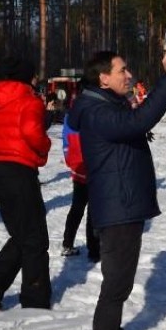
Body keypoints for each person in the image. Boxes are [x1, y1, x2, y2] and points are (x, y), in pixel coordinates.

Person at [67, 47, 166, 330]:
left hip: (123, 206)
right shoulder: (95, 111)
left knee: (119, 284)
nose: (129, 75)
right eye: (122, 70)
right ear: (103, 78)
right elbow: (139, 121)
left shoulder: (103, 105)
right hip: (117, 209)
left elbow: (135, 120)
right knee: (116, 286)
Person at [0, 57, 52, 311]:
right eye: (34, 76)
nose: (37, 81)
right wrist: (44, 148)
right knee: (35, 239)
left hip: (0, 173)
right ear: (28, 78)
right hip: (21, 174)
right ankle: (34, 301)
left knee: (23, 235)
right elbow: (31, 132)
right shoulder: (30, 101)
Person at [59, 111, 100, 262]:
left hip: (79, 168)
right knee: (93, 211)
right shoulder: (96, 112)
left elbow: (65, 141)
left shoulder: (71, 114)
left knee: (77, 209)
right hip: (93, 168)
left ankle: (67, 244)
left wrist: (70, 161)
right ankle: (94, 250)